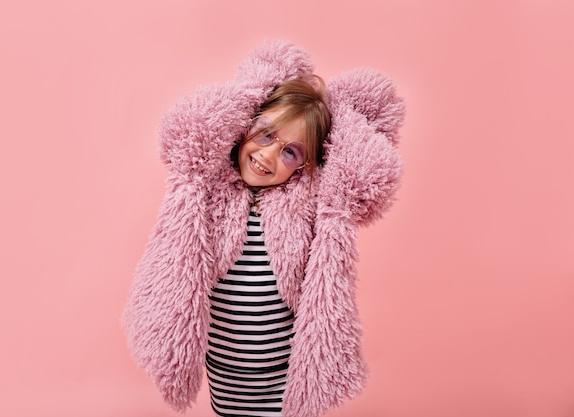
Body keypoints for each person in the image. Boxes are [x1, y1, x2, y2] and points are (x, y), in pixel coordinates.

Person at [122, 40, 405, 417]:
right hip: (226, 373)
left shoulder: (306, 202)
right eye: (265, 134)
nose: (268, 155)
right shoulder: (207, 190)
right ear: (243, 124)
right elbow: (189, 133)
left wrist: (341, 113)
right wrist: (248, 93)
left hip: (283, 376)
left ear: (305, 167)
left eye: (291, 151)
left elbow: (361, 176)